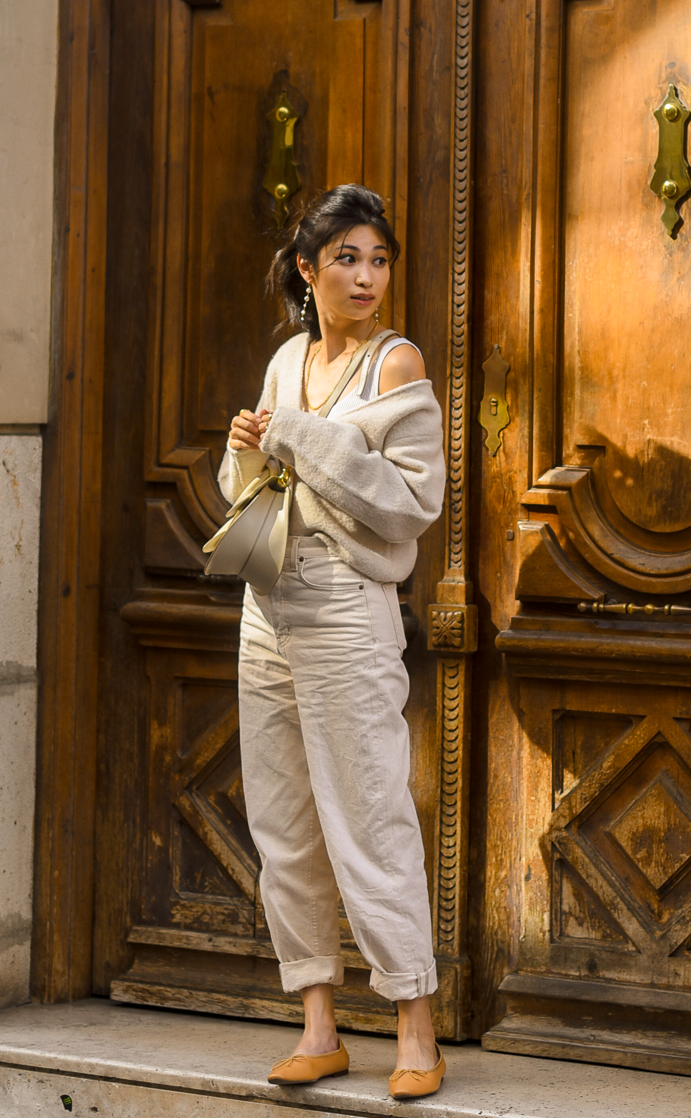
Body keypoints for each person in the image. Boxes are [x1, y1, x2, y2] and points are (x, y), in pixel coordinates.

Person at [221, 183, 447, 1100]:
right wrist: (245, 446)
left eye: (379, 259)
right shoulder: (287, 360)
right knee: (283, 825)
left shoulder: (397, 365)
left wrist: (299, 437)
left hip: (350, 606)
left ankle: (416, 1029)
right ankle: (318, 1021)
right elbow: (253, 487)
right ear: (308, 270)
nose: (366, 277)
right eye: (347, 259)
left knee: (369, 814)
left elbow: (410, 501)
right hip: (268, 603)